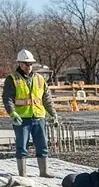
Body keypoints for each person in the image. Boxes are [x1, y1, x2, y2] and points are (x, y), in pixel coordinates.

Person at [3, 49, 58, 178]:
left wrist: (53, 113)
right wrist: (13, 113)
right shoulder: (12, 79)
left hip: (39, 117)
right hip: (22, 119)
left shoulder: (39, 79)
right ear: (20, 64)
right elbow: (7, 99)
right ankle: (23, 174)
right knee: (22, 147)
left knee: (42, 145)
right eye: (26, 64)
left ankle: (43, 171)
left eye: (31, 64)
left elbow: (46, 98)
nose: (29, 67)